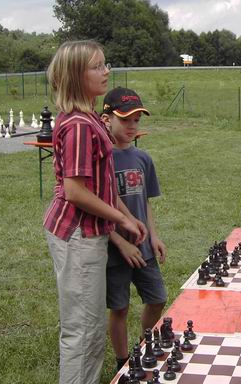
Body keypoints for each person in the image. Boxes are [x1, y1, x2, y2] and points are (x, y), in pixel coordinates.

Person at [43, 41, 147, 384]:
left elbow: (102, 183)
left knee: (88, 326)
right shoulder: (80, 126)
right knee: (83, 330)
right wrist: (120, 218)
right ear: (76, 75)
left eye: (105, 64)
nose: (106, 72)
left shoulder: (88, 118)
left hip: (89, 232)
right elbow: (75, 191)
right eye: (97, 67)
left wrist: (127, 216)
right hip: (77, 234)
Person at [100, 87, 168, 371]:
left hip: (143, 247)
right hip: (113, 249)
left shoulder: (144, 159)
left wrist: (154, 235)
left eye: (137, 120)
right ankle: (121, 360)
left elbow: (146, 203)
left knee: (158, 298)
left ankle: (144, 343)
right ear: (106, 119)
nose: (132, 126)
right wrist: (118, 241)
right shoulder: (101, 159)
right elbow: (96, 210)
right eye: (125, 119)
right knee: (120, 307)